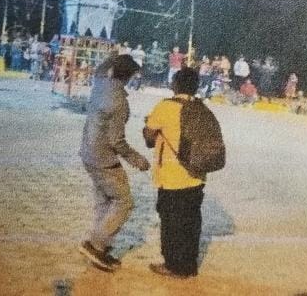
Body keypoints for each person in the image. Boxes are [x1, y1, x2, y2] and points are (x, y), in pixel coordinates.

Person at [142, 67, 224, 279]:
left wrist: (148, 125)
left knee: (171, 222)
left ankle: (173, 265)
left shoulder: (165, 106)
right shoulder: (201, 109)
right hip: (196, 174)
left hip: (171, 176)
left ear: (175, 84)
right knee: (191, 221)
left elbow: (149, 139)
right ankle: (189, 265)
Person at [78, 53, 150, 272]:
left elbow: (102, 68)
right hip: (104, 158)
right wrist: (137, 159)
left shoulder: (100, 85)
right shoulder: (118, 101)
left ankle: (100, 247)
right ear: (128, 76)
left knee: (105, 201)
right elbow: (116, 141)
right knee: (123, 202)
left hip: (88, 152)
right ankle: (96, 245)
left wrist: (115, 58)